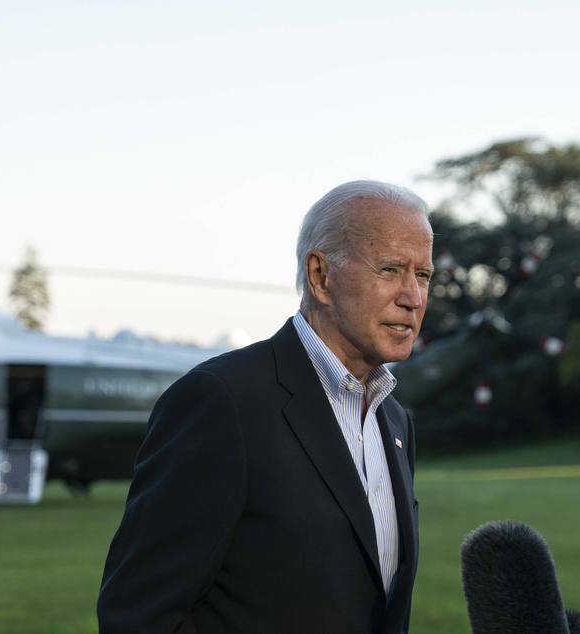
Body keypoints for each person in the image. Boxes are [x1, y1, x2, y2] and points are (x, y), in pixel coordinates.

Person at [98, 180, 433, 634]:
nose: (413, 297)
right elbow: (138, 615)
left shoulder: (393, 420)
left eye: (423, 275)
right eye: (391, 269)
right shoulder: (221, 401)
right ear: (320, 276)